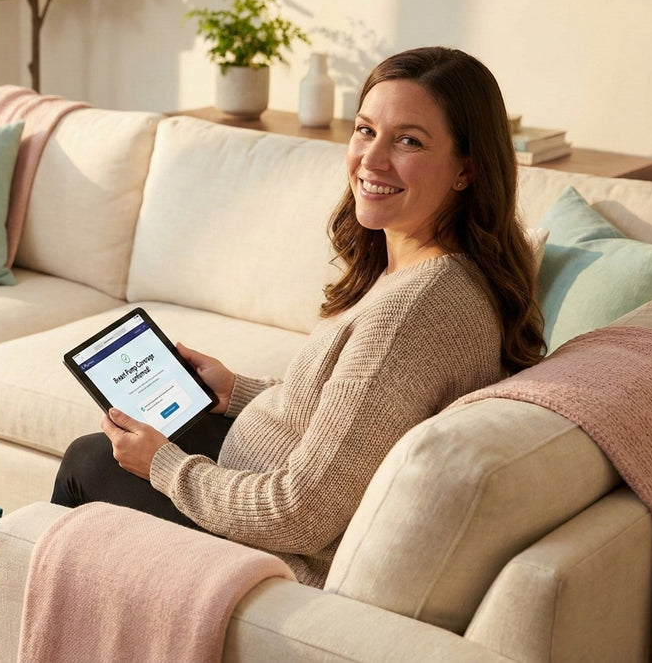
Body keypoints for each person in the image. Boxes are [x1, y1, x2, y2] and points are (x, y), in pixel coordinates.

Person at [52, 46, 545, 588]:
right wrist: (238, 390)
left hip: (279, 553)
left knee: (90, 460)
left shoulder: (412, 313)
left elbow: (300, 515)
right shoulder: (433, 269)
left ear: (466, 170)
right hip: (257, 476)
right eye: (364, 130)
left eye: (409, 140)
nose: (371, 160)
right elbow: (357, 413)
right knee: (130, 439)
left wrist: (164, 467)